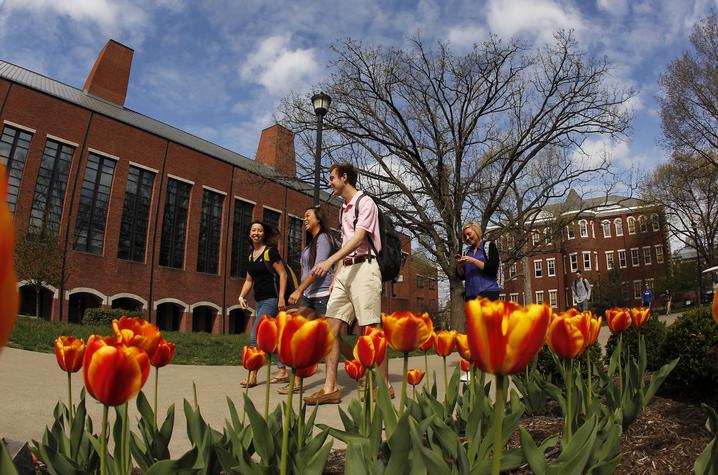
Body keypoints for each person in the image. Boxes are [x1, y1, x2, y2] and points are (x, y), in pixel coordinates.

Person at [303, 162, 393, 405]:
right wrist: (336, 276)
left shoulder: (365, 203)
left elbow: (359, 238)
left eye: (332, 178)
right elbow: (345, 246)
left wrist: (330, 261)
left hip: (365, 267)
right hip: (345, 271)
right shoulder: (343, 209)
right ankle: (330, 387)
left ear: (344, 178)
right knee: (330, 328)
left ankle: (383, 385)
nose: (329, 183)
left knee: (371, 328)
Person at [280, 206, 335, 395]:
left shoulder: (324, 239)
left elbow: (319, 269)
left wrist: (298, 290)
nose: (304, 219)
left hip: (321, 296)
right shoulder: (311, 244)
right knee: (300, 337)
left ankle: (357, 367)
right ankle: (296, 382)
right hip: (308, 296)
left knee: (330, 341)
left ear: (318, 219)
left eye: (307, 216)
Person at [237, 221, 289, 387]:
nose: (256, 233)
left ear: (264, 234)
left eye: (260, 230)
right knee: (269, 338)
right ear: (249, 234)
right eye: (253, 230)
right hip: (259, 301)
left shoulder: (270, 252)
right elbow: (248, 279)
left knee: (255, 336)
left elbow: (283, 274)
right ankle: (282, 370)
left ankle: (252, 376)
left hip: (272, 299)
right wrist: (241, 296)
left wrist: (281, 298)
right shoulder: (251, 255)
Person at [455, 221, 501, 301]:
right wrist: (459, 265)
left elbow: (493, 269)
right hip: (470, 296)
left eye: (469, 234)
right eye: (465, 236)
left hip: (488, 293)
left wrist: (473, 260)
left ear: (476, 231)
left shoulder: (489, 246)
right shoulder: (467, 252)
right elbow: (462, 277)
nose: (467, 238)